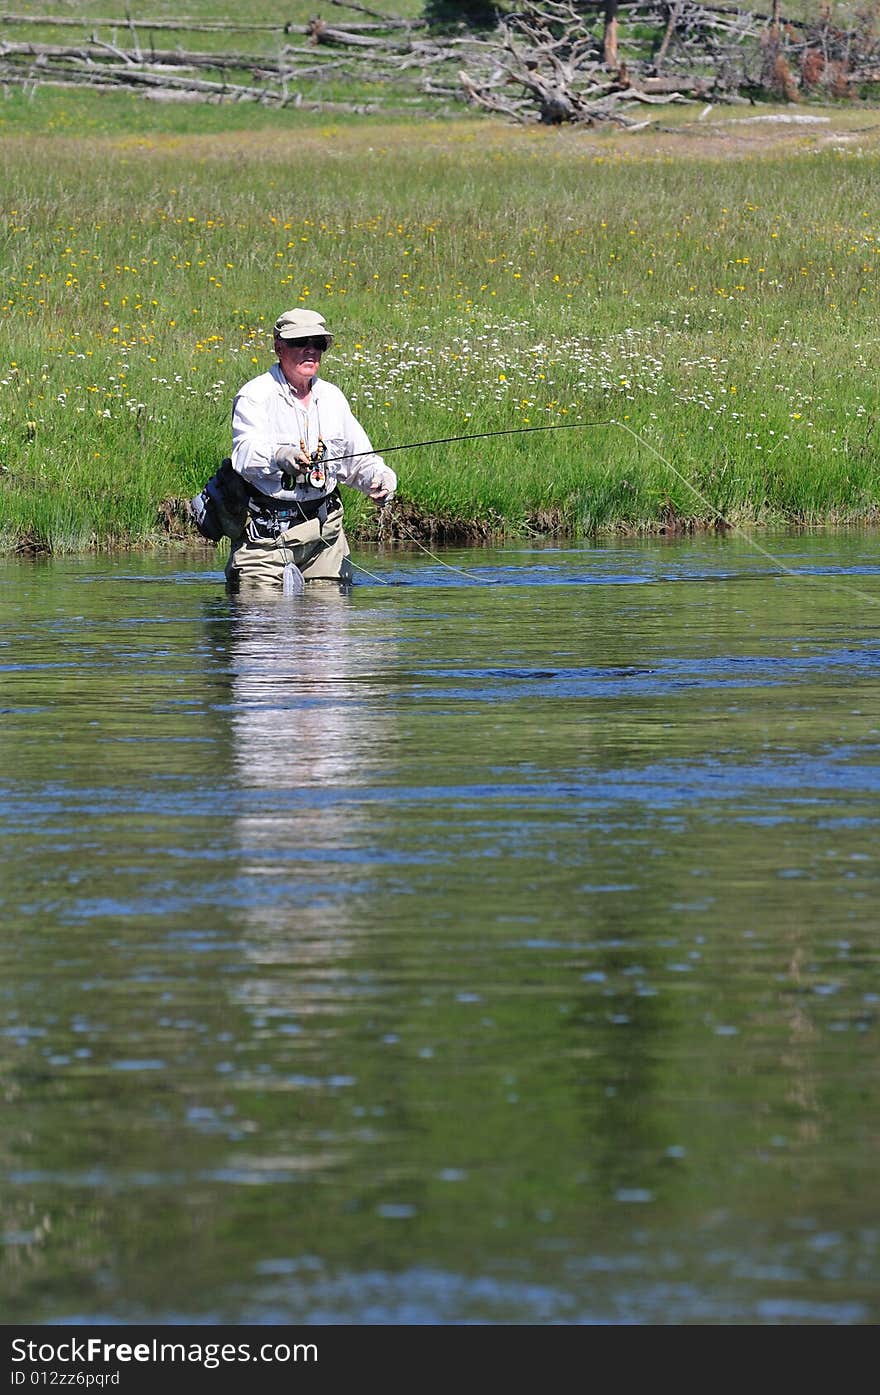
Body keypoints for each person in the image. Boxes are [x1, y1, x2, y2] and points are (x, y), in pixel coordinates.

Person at [224, 307, 396, 592]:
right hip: (266, 539)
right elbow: (243, 455)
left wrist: (380, 480)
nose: (310, 351)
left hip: (325, 537)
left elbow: (360, 461)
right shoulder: (255, 395)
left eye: (318, 344)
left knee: (327, 628)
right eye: (299, 343)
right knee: (260, 625)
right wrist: (280, 456)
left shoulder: (332, 398)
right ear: (278, 348)